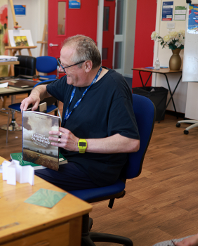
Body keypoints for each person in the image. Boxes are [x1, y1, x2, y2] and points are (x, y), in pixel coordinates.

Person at [20, 35, 140, 191]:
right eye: (60, 63)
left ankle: (67, 215)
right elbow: (43, 88)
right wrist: (34, 95)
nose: (61, 70)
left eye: (65, 66)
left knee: (29, 178)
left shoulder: (115, 87)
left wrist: (78, 144)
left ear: (87, 66)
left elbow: (131, 142)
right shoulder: (74, 80)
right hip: (66, 156)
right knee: (19, 167)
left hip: (95, 167)